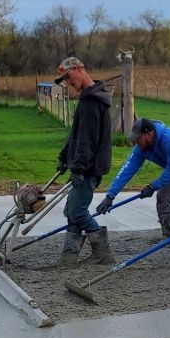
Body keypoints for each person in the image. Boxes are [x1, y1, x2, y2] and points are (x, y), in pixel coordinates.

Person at [53, 56, 114, 267]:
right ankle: (68, 257)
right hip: (84, 167)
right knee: (71, 209)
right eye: (65, 79)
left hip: (87, 169)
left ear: (79, 69)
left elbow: (87, 141)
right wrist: (64, 157)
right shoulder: (88, 99)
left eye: (69, 77)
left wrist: (77, 168)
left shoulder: (91, 103)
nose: (68, 82)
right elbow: (76, 136)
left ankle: (103, 254)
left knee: (78, 211)